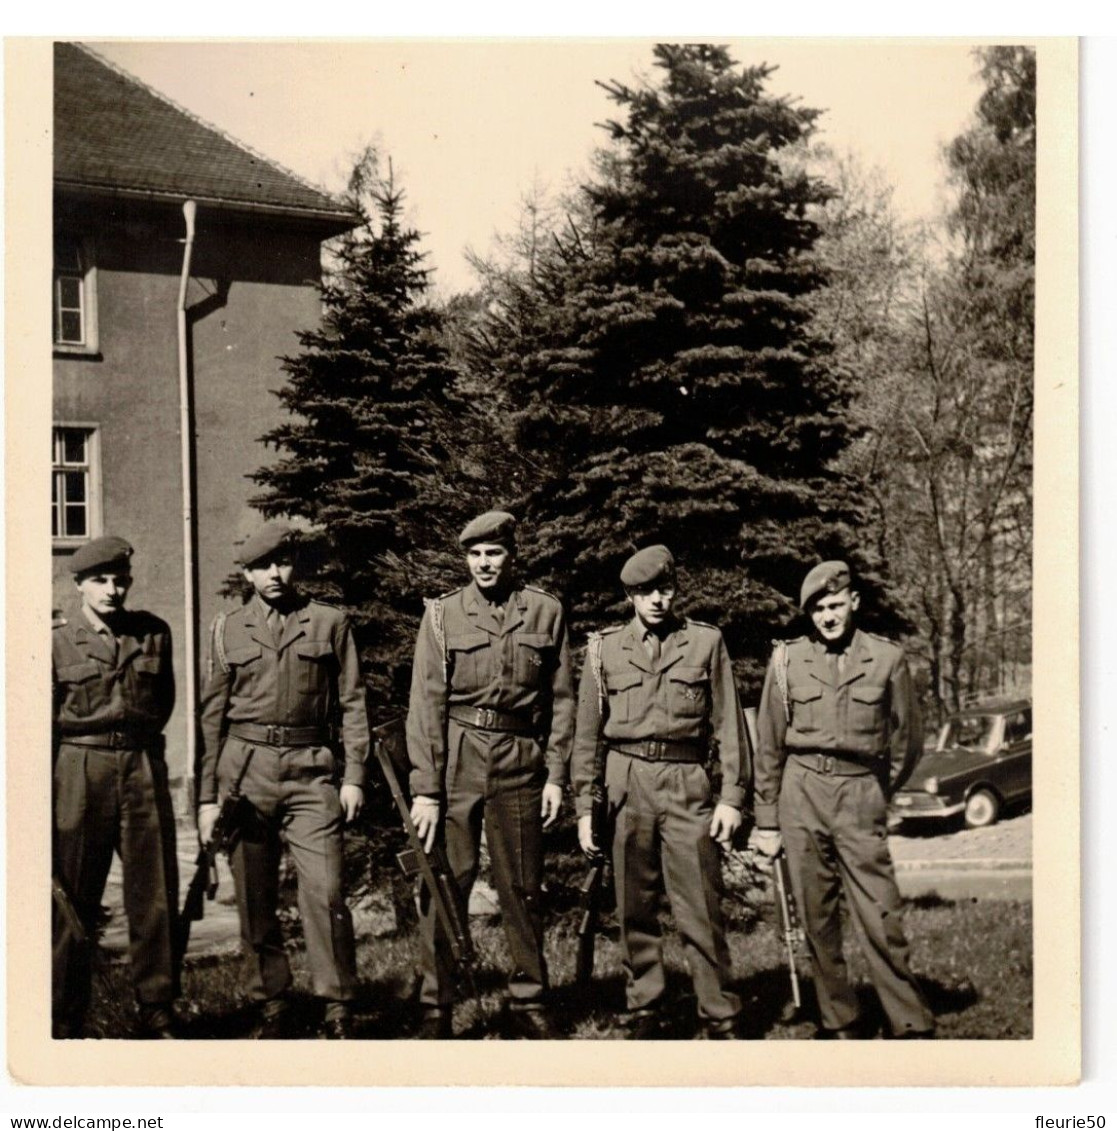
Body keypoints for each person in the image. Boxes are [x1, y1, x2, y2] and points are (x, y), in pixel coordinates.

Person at [406, 510, 574, 1039]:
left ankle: (528, 1000)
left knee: (522, 883)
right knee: (445, 882)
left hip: (519, 756)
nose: (484, 563)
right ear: (466, 559)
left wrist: (556, 774)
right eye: (475, 554)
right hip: (457, 754)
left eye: (494, 553)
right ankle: (437, 1004)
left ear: (511, 555)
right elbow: (425, 704)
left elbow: (563, 699)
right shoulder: (441, 616)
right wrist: (426, 789)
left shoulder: (545, 612)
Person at [197, 523, 368, 1039]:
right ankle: (271, 1001)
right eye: (261, 566)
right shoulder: (227, 629)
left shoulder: (329, 622)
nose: (274, 574)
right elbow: (211, 719)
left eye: (282, 563)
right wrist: (206, 798)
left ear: (295, 566)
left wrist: (355, 774)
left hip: (311, 771)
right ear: (247, 574)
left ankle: (337, 1003)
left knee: (327, 890)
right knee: (254, 895)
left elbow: (353, 702)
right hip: (244, 774)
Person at [751, 560, 935, 1039]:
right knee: (817, 916)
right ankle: (840, 1018)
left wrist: (877, 790)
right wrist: (767, 819)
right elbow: (769, 744)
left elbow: (908, 740)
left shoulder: (887, 659)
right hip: (801, 791)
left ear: (854, 601)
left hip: (860, 793)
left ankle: (909, 1020)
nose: (828, 617)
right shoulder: (788, 660)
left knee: (881, 911)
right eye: (818, 610)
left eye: (835, 605)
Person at [571, 545, 748, 1040]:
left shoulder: (704, 643)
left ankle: (719, 1010)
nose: (656, 600)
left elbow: (730, 727)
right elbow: (586, 735)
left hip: (686, 780)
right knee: (634, 907)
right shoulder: (604, 649)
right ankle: (645, 1005)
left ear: (675, 590)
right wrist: (585, 806)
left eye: (664, 589)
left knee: (700, 905)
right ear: (630, 595)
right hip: (626, 783)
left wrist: (732, 797)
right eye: (645, 592)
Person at [52, 536, 180, 1038]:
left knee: (154, 893)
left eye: (120, 579)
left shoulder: (153, 634)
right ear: (79, 584)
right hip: (80, 766)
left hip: (141, 763)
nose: (112, 589)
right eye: (101, 580)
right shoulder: (56, 639)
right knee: (72, 896)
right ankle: (65, 1015)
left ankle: (158, 1006)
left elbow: (162, 701)